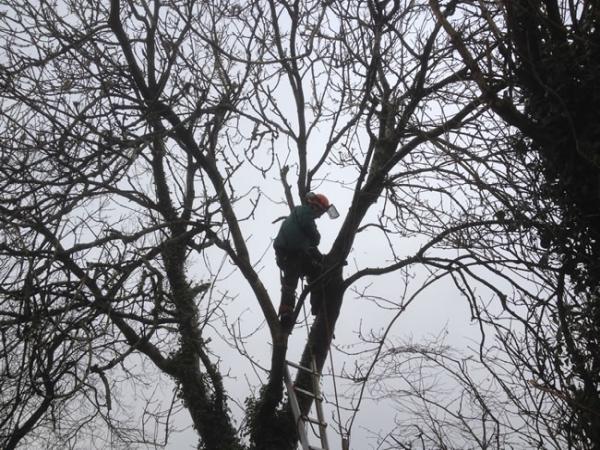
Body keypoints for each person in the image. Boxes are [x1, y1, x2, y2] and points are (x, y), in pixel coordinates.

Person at [273, 192, 338, 329]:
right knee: (290, 283)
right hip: (289, 253)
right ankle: (286, 314)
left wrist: (322, 260)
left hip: (294, 254)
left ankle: (318, 308)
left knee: (317, 272)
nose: (320, 216)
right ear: (315, 206)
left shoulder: (300, 216)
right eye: (320, 212)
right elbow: (314, 237)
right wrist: (316, 237)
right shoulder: (304, 211)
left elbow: (311, 246)